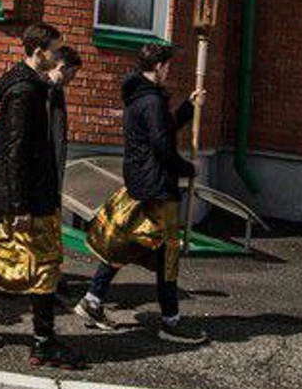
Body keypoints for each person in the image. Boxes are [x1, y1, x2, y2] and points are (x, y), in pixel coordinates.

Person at [0, 26, 86, 370]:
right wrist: (21, 205)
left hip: (7, 196)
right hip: (25, 199)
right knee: (43, 266)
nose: (58, 56)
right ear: (39, 51)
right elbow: (16, 151)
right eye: (55, 50)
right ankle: (43, 342)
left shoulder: (27, 84)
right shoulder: (26, 91)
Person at [75, 42, 207, 345]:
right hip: (157, 188)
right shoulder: (151, 102)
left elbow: (162, 130)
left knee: (129, 245)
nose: (169, 71)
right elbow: (162, 145)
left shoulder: (140, 98)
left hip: (141, 183)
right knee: (167, 254)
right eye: (167, 67)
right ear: (159, 66)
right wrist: (187, 169)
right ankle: (170, 321)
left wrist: (188, 107)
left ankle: (93, 299)